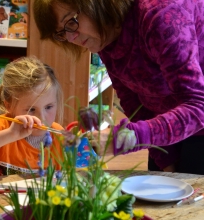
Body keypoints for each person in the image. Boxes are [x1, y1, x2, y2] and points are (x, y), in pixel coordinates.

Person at [33, 0, 204, 174]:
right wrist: (164, 160)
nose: (71, 38)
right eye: (61, 33)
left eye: (71, 22)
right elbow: (134, 103)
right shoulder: (104, 33)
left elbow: (199, 107)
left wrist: (123, 138)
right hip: (168, 123)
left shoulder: (160, 14)